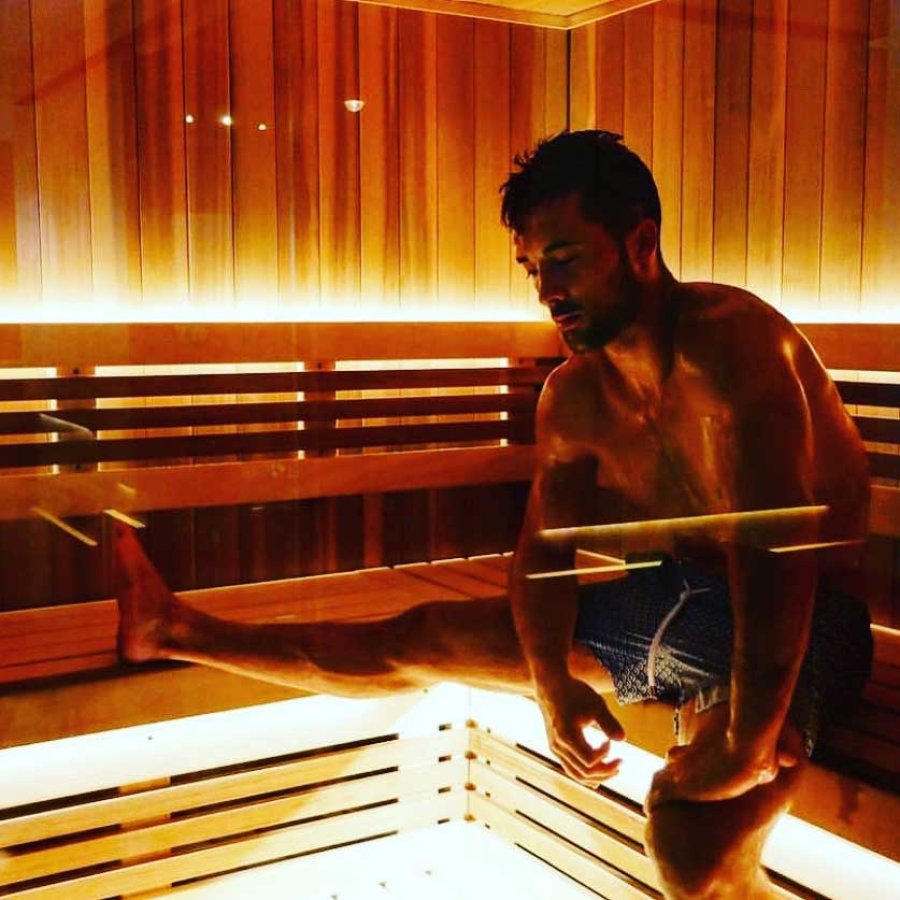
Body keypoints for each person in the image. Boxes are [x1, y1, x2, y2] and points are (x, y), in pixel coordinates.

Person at [115, 130, 873, 898]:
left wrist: (745, 742)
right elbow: (542, 558)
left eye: (566, 259)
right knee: (421, 636)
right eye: (533, 267)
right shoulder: (576, 397)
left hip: (805, 618)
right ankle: (172, 629)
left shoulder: (735, 345)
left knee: (689, 840)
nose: (547, 290)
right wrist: (552, 688)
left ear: (641, 243)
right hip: (672, 604)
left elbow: (778, 549)